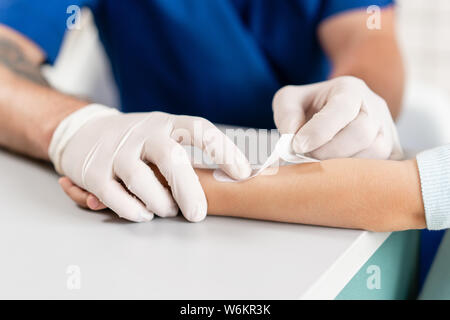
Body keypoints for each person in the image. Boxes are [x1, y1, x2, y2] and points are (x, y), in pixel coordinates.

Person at [0, 0, 404, 222]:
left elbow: (368, 35)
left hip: (306, 163)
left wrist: (360, 96)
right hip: (141, 189)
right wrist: (72, 127)